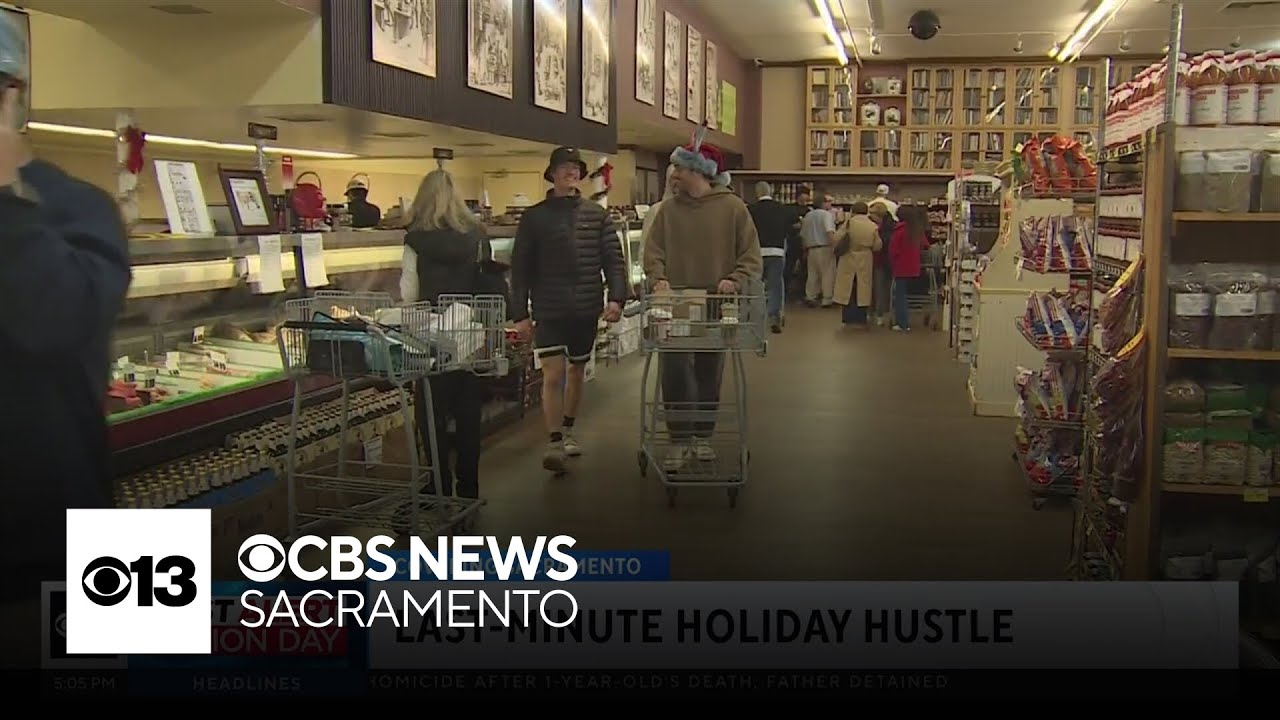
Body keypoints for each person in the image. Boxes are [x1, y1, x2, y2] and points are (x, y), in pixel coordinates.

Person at [0, 10, 132, 668]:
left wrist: (3, 193)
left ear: (10, 96)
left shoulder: (77, 209)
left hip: (65, 564)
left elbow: (55, 321)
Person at [643, 128, 762, 471]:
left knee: (711, 370)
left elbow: (750, 256)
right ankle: (680, 440)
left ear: (698, 171)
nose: (674, 175)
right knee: (675, 370)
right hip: (675, 307)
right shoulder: (668, 210)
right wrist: (659, 278)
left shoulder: (734, 209)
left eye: (679, 168)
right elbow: (653, 253)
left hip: (716, 305)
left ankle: (702, 437)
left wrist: (734, 279)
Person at [510, 146, 628, 474]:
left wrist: (616, 298)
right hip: (548, 307)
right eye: (564, 167)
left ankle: (570, 428)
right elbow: (519, 269)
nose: (571, 172)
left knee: (577, 371)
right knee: (553, 373)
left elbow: (613, 261)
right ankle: (554, 439)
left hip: (586, 307)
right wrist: (520, 313)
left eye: (575, 168)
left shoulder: (597, 215)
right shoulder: (534, 218)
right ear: (552, 173)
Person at [400, 167, 510, 500]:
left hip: (431, 336)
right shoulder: (476, 235)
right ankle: (469, 489)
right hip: (469, 334)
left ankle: (438, 484)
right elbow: (488, 285)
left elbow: (409, 291)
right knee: (467, 415)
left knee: (430, 414)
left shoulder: (414, 238)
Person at [746, 181, 793, 334]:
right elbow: (793, 227)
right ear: (771, 192)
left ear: (757, 193)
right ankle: (775, 316)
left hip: (755, 253)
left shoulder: (750, 210)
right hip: (777, 252)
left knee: (755, 285)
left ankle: (753, 318)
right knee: (775, 285)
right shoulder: (783, 209)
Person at [833, 202, 881, 327]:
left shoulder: (849, 223)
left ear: (853, 210)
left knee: (848, 285)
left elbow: (836, 238)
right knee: (863, 286)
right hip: (865, 257)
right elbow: (877, 246)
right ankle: (861, 316)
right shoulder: (873, 226)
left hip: (848, 256)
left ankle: (848, 316)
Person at [888, 205, 930, 332]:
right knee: (906, 294)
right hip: (914, 267)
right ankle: (904, 322)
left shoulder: (899, 231)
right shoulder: (916, 230)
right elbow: (926, 245)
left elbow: (893, 250)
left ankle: (902, 323)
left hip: (900, 267)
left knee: (900, 296)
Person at [799, 194, 838, 307]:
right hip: (825, 247)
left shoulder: (808, 216)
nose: (830, 204)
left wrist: (804, 250)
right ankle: (827, 298)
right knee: (827, 273)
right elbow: (829, 231)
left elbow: (803, 235)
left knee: (812, 274)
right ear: (823, 203)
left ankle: (810, 296)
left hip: (811, 248)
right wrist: (835, 246)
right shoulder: (826, 215)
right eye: (828, 202)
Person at [867, 199, 897, 326]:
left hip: (882, 260)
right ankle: (877, 313)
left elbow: (885, 243)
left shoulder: (887, 228)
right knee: (880, 289)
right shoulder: (891, 225)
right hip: (882, 261)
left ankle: (879, 314)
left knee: (879, 289)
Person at [785, 188, 811, 303]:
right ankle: (786, 292)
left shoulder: (810, 210)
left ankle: (802, 292)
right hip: (793, 241)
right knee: (789, 267)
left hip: (806, 242)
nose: (805, 197)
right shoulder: (789, 209)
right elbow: (786, 225)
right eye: (804, 194)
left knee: (806, 269)